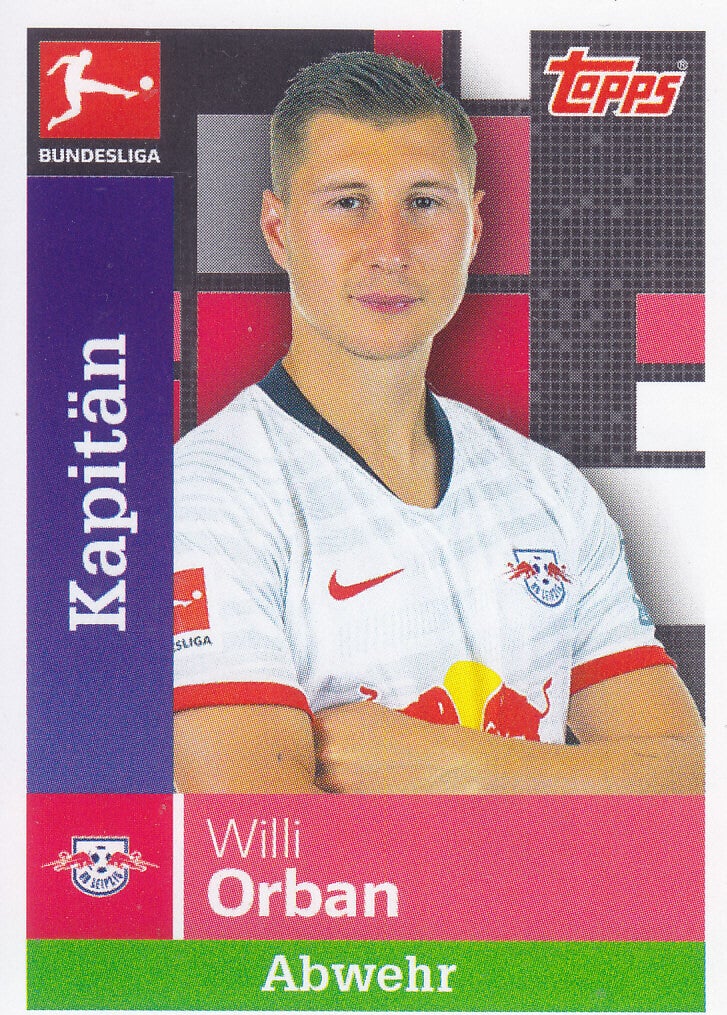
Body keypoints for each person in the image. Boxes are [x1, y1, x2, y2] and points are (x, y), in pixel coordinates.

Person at [173, 51, 704, 795]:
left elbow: (690, 781)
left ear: (474, 225)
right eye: (347, 203)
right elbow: (255, 842)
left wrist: (453, 767)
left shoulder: (545, 488)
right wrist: (583, 784)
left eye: (423, 202)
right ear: (278, 228)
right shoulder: (209, 494)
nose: (389, 250)